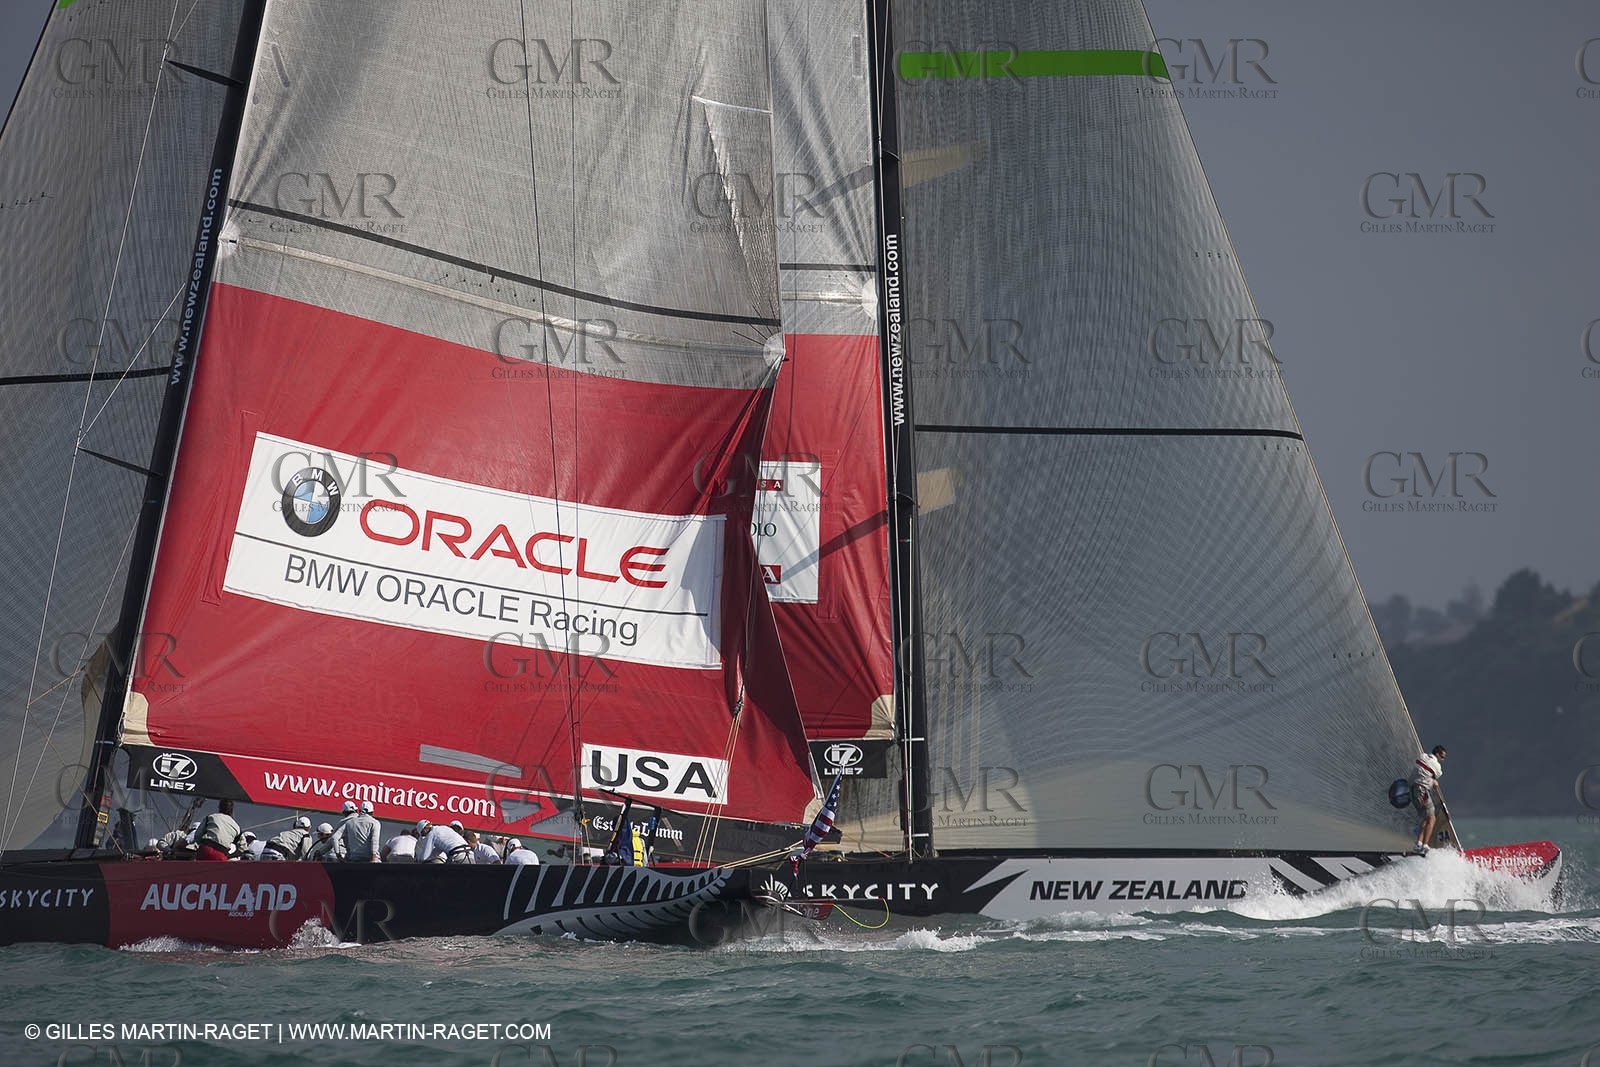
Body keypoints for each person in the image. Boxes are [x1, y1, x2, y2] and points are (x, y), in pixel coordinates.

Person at [1412, 744, 1447, 853]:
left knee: (1425, 817)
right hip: (1422, 791)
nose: (1443, 759)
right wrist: (1434, 782)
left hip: (1412, 790)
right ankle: (1425, 846)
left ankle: (1418, 843)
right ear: (1437, 754)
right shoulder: (1437, 766)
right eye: (1442, 757)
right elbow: (1435, 777)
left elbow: (1423, 772)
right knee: (1432, 819)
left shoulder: (1422, 756)